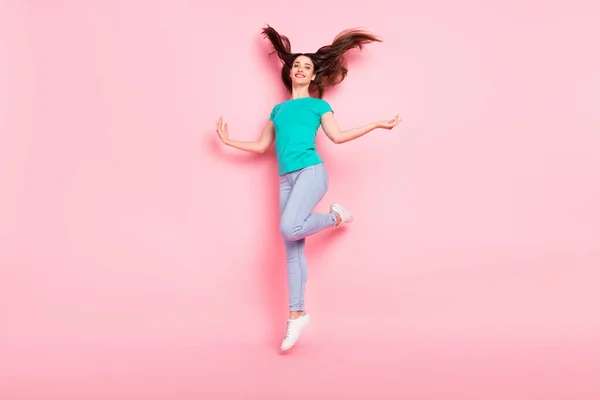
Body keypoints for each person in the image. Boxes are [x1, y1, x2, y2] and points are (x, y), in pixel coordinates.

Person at [215, 24, 400, 351]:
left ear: (314, 76)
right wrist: (228, 141)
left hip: (311, 172)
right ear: (290, 73)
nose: (300, 68)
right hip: (285, 178)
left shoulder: (318, 107)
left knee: (289, 227)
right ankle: (296, 315)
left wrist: (375, 124)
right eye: (296, 64)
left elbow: (338, 137)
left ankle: (335, 218)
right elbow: (261, 146)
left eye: (307, 66)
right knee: (292, 248)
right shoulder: (278, 109)